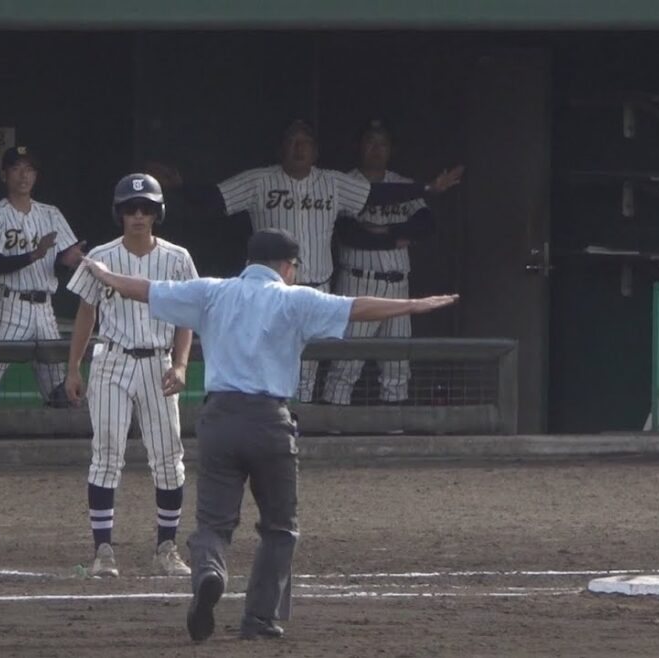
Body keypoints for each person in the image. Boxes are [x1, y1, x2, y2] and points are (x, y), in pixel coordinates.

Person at [78, 228, 457, 642]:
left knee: (213, 523)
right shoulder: (294, 298)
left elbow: (147, 290)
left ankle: (208, 570)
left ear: (249, 262)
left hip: (220, 419)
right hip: (269, 422)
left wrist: (108, 276)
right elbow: (356, 308)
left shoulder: (213, 292)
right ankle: (259, 619)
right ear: (287, 267)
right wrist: (414, 305)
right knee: (279, 527)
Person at [147, 119, 463, 402]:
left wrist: (426, 189)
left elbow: (376, 196)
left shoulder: (333, 182)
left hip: (318, 289)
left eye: (306, 143)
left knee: (316, 366)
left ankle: (309, 433)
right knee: (281, 364)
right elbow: (214, 200)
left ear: (316, 151)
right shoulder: (259, 180)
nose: (300, 148)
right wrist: (181, 187)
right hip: (272, 293)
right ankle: (285, 427)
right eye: (293, 142)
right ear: (281, 149)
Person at [64, 173, 198, 578]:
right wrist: (74, 367)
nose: (138, 216)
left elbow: (186, 316)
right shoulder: (100, 257)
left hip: (158, 362)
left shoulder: (177, 258)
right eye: (130, 209)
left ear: (157, 213)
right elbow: (86, 315)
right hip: (112, 360)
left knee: (168, 459)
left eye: (146, 209)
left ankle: (167, 549)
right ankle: (103, 552)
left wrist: (180, 364)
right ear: (120, 213)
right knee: (106, 456)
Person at [0, 145, 85, 409]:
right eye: (16, 169)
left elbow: (61, 257)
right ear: (4, 175)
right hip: (7, 305)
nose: (24, 176)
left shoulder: (50, 213)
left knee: (62, 391)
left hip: (44, 308)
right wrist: (33, 255)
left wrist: (69, 260)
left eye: (30, 169)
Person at [322, 120, 437, 406]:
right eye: (370, 142)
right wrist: (396, 235)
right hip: (358, 282)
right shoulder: (345, 184)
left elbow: (426, 225)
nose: (376, 149)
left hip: (398, 286)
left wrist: (384, 231)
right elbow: (350, 234)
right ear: (359, 147)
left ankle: (394, 438)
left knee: (397, 367)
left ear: (391, 150)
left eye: (382, 144)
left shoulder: (403, 185)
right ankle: (331, 437)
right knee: (346, 365)